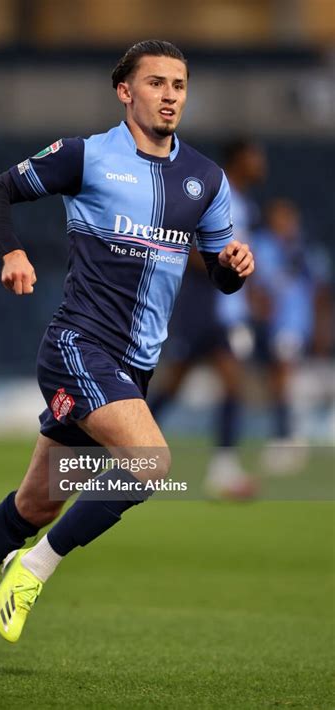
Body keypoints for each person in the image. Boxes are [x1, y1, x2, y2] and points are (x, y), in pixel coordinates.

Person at [0, 40, 255, 674]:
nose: (171, 94)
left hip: (132, 368)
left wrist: (233, 268)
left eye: (180, 84)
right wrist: (11, 252)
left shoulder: (207, 180)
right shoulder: (85, 156)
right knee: (150, 464)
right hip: (78, 347)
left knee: (34, 506)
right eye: (157, 83)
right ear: (126, 91)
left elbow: (220, 275)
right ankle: (33, 569)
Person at [148, 140, 266, 498]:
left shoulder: (248, 206)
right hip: (200, 304)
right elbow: (188, 245)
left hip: (226, 310)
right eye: (254, 155)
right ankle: (124, 442)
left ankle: (223, 471)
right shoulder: (212, 190)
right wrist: (221, 267)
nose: (261, 162)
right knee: (174, 383)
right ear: (238, 159)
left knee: (232, 384)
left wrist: (247, 291)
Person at [249, 198, 331, 472]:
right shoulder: (261, 244)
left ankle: (285, 438)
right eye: (280, 217)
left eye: (289, 218)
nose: (285, 223)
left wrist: (321, 330)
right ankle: (287, 435)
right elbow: (252, 284)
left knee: (283, 377)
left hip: (293, 324)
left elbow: (320, 292)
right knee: (276, 382)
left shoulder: (304, 250)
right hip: (266, 326)